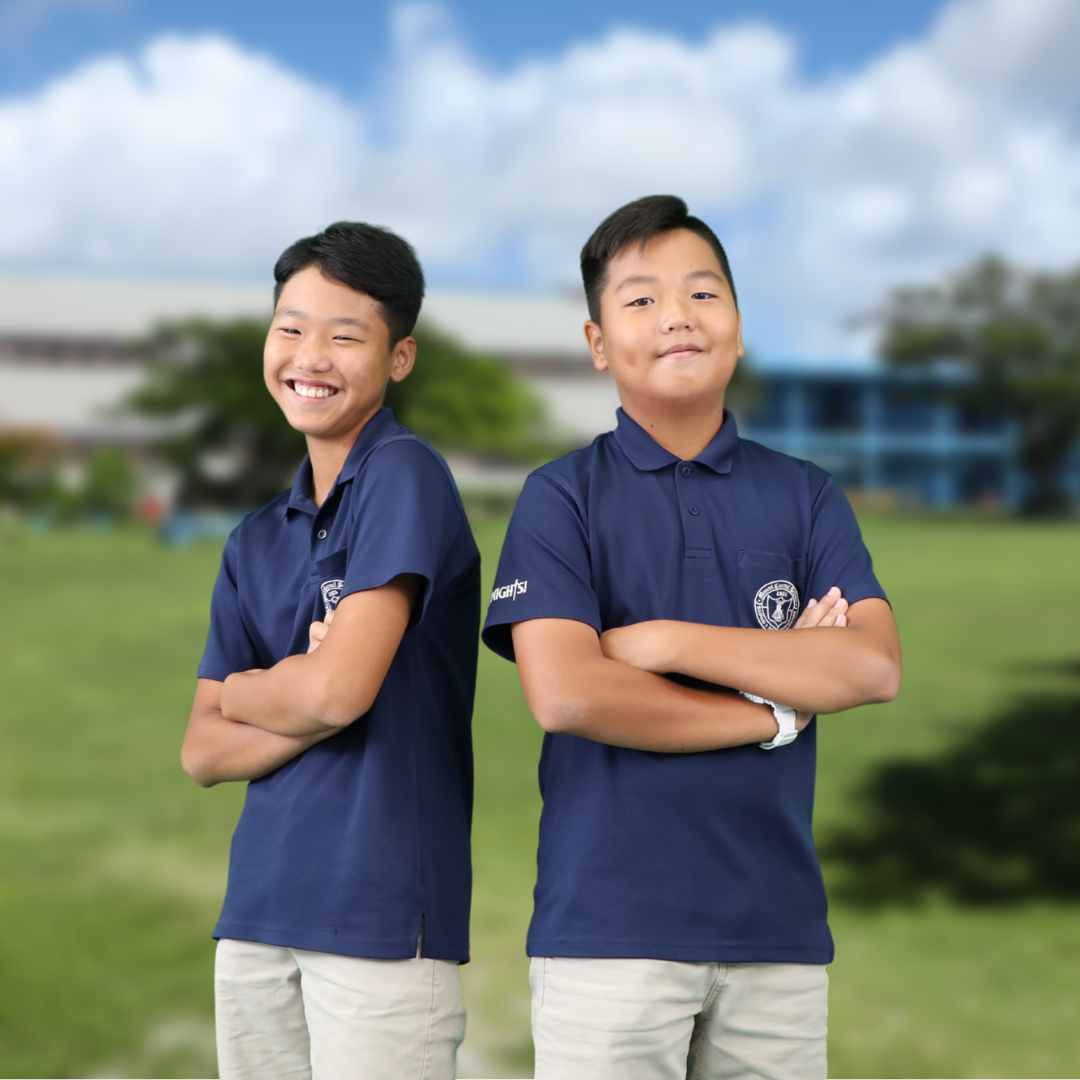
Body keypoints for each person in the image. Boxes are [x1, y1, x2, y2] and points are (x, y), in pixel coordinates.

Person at [482, 195, 901, 1080]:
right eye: (641, 299)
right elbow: (568, 694)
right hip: (608, 938)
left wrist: (663, 641)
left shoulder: (807, 495)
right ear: (598, 343)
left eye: (703, 293)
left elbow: (869, 665)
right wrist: (774, 709)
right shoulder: (561, 497)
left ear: (739, 328)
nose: (677, 315)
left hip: (779, 938)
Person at [181, 221, 479, 1080]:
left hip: (379, 918)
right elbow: (201, 752)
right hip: (257, 914)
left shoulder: (404, 475)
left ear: (399, 358)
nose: (309, 357)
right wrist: (297, 682)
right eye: (290, 328)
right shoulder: (254, 538)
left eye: (345, 336)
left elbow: (338, 693)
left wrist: (252, 690)